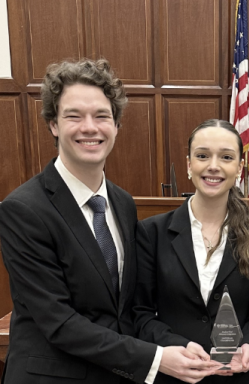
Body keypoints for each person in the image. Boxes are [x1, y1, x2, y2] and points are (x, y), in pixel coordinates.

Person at [0, 59, 218, 384]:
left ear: (115, 126)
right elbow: (59, 323)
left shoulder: (122, 203)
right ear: (53, 124)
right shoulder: (23, 210)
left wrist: (178, 343)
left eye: (101, 116)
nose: (90, 127)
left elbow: (125, 309)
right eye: (74, 116)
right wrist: (156, 358)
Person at [133, 119, 249, 384]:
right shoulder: (151, 233)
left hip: (234, 377)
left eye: (226, 157)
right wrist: (175, 347)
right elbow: (140, 313)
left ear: (239, 168)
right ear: (189, 164)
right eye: (202, 155)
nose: (213, 165)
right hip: (173, 376)